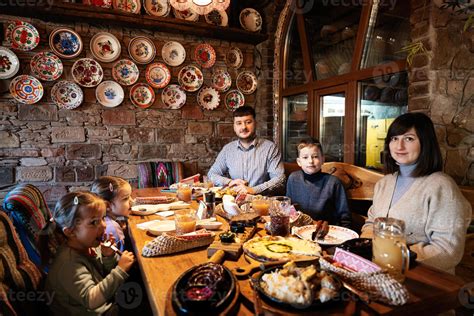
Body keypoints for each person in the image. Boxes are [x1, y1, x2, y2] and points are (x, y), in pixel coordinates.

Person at [361, 112, 471, 273]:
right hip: (379, 270)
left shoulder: (441, 186)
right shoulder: (384, 183)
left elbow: (448, 250)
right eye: (394, 138)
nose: (399, 146)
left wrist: (395, 258)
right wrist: (364, 249)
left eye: (409, 139)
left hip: (423, 279)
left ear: (425, 143)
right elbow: (372, 223)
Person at [44, 191, 135, 315]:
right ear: (70, 232)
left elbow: (101, 276)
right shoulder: (68, 264)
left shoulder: (89, 245)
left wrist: (107, 257)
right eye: (93, 222)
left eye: (103, 218)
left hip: (109, 305)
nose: (103, 226)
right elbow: (91, 300)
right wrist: (120, 270)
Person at [208, 105, 285, 195]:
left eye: (248, 122)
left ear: (255, 123)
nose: (244, 127)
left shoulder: (270, 148)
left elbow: (279, 179)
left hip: (260, 203)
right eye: (239, 123)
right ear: (234, 127)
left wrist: (253, 190)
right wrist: (229, 182)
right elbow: (212, 174)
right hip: (234, 202)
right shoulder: (228, 150)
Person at [286, 138, 351, 228]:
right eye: (305, 157)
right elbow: (288, 207)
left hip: (326, 232)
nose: (310, 161)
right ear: (299, 162)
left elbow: (344, 216)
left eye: (315, 156)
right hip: (298, 230)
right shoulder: (293, 178)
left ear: (323, 159)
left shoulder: (333, 183)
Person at [91, 176, 133, 253]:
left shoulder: (107, 222)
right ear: (108, 206)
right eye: (126, 198)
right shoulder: (113, 229)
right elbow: (123, 257)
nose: (132, 201)